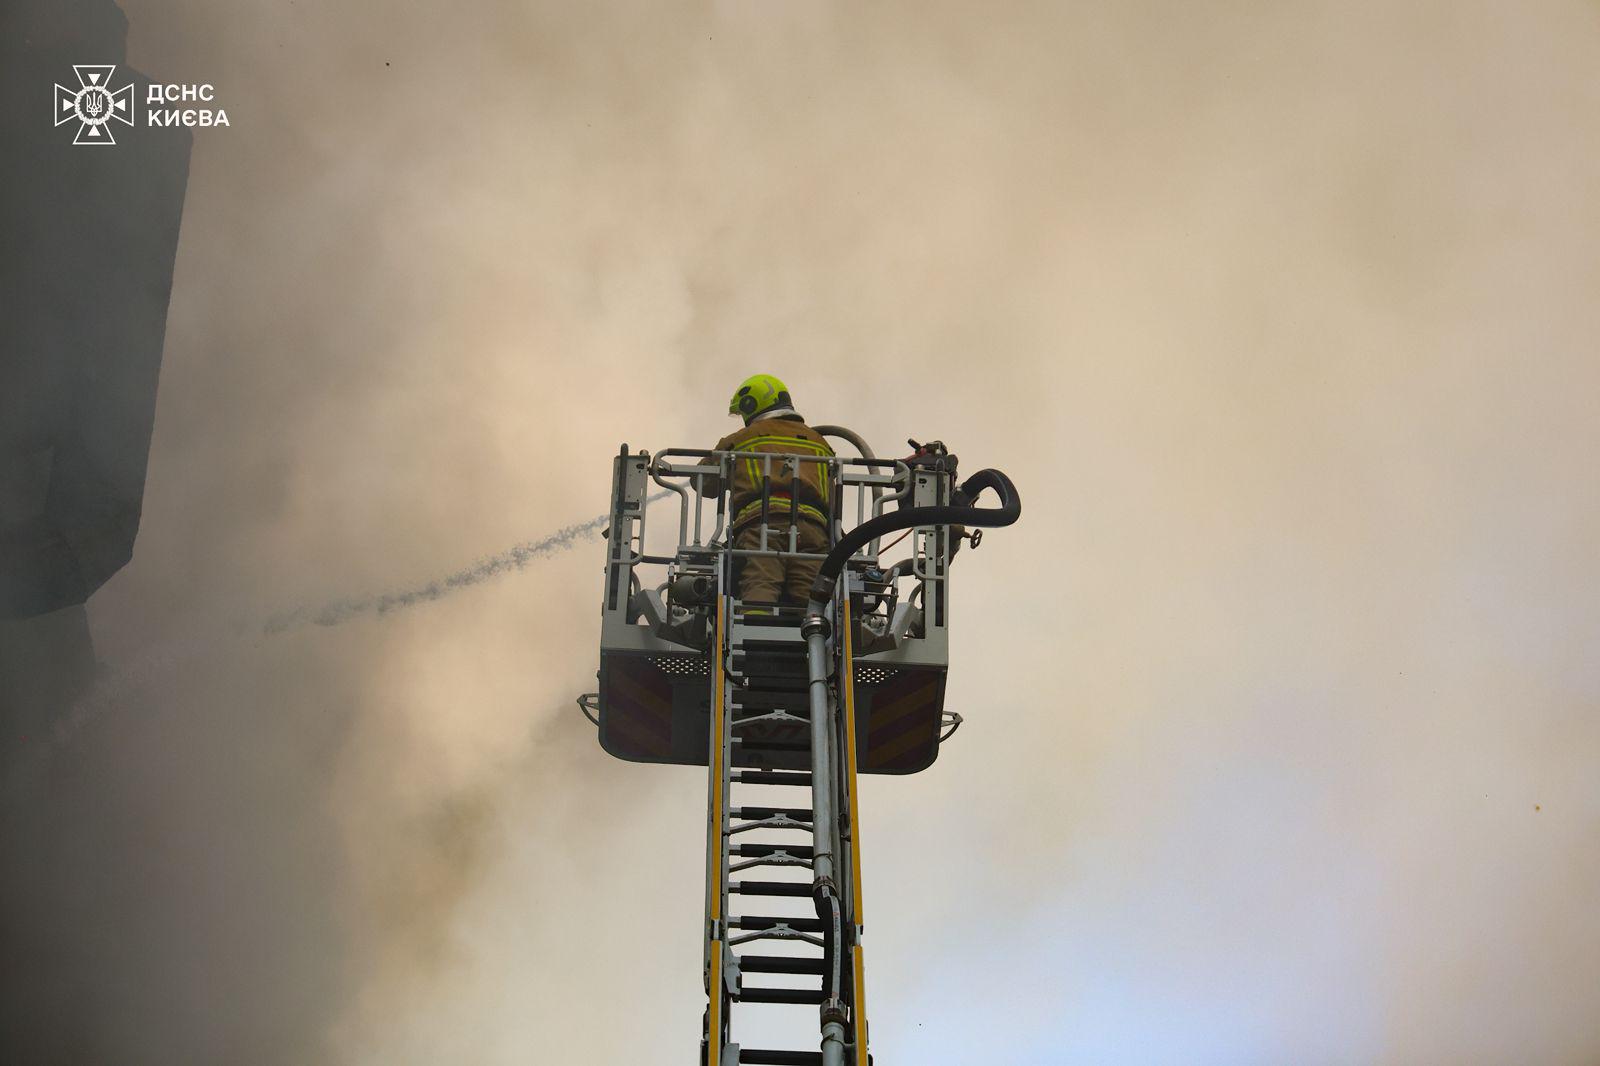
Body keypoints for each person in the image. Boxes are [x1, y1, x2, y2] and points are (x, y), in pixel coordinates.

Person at [700, 374, 835, 607]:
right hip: (813, 529)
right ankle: (814, 627)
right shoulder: (819, 442)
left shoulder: (742, 439)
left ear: (752, 404)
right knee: (810, 596)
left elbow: (705, 483)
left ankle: (756, 628)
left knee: (761, 583)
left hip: (762, 524)